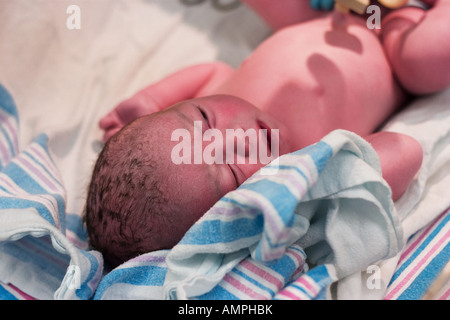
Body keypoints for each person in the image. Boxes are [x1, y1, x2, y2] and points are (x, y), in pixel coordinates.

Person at [84, 0, 449, 267]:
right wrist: (319, 180)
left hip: (325, 11)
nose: (236, 136)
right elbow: (408, 152)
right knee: (430, 54)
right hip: (395, 42)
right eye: (228, 169)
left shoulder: (218, 88)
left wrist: (151, 97)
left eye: (203, 118)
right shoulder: (306, 168)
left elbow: (210, 68)